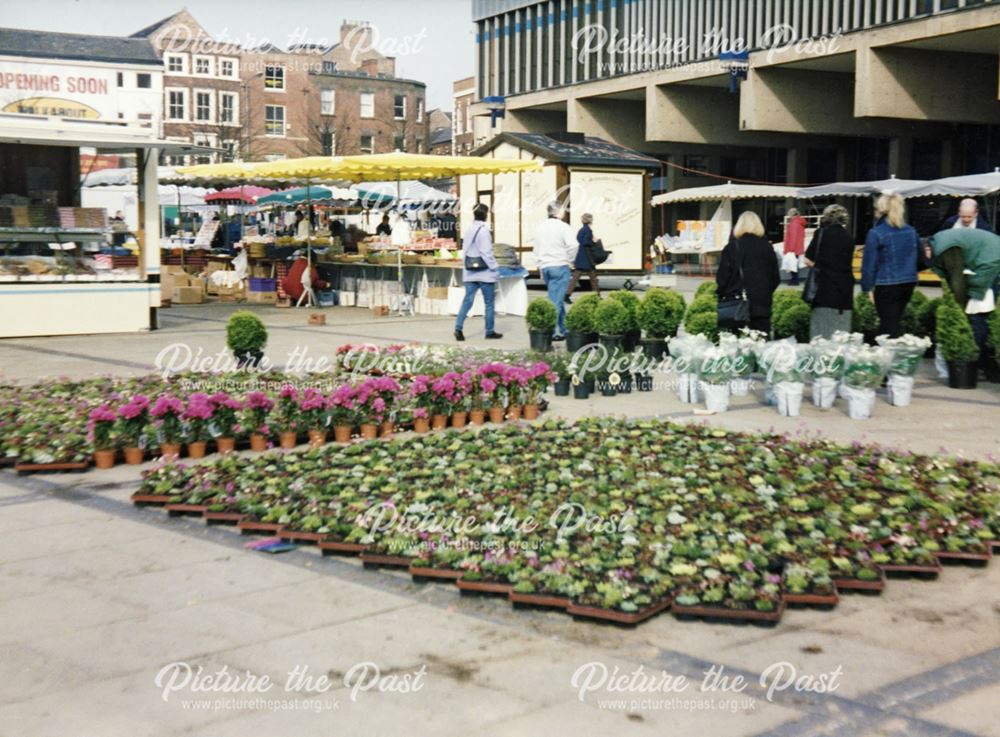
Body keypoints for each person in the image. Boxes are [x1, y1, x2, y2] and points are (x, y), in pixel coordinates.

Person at [927, 228, 1000, 377]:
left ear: (927, 248)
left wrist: (958, 308)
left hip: (989, 259)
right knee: (978, 311)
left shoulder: (945, 248)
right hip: (987, 255)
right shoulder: (939, 241)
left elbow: (956, 280)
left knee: (977, 312)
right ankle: (982, 360)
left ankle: (979, 359)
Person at [861, 193, 919, 339]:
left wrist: (867, 287)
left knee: (889, 325)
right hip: (908, 281)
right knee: (892, 322)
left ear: (881, 210)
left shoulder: (876, 233)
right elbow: (921, 258)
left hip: (886, 283)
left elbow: (869, 265)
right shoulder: (911, 231)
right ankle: (885, 353)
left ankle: (893, 355)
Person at [716, 211, 780, 335]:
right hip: (762, 303)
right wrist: (764, 291)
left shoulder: (732, 247)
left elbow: (722, 278)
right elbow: (775, 278)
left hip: (736, 303)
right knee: (760, 341)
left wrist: (722, 293)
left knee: (734, 343)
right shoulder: (767, 247)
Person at [804, 205, 856, 338]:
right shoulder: (849, 238)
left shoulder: (821, 233)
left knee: (820, 333)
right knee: (840, 333)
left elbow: (807, 260)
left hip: (823, 288)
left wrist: (820, 265)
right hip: (844, 292)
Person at [454, 203, 503, 342]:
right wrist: (495, 267)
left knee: (467, 301)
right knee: (489, 302)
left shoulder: (469, 229)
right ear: (485, 215)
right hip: (485, 273)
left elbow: (465, 250)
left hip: (470, 271)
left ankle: (458, 327)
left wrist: (466, 265)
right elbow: (486, 252)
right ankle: (489, 331)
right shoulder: (484, 231)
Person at [532, 201, 579, 340]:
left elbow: (536, 249)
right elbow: (573, 245)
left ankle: (564, 329)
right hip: (559, 264)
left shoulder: (540, 227)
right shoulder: (563, 227)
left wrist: (540, 265)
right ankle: (552, 331)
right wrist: (570, 259)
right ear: (559, 212)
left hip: (546, 266)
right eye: (563, 210)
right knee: (555, 302)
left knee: (556, 297)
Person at [568, 212, 599, 299]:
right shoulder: (588, 230)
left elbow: (578, 239)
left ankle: (567, 294)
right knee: (593, 278)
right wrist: (593, 242)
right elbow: (585, 242)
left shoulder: (581, 230)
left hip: (580, 257)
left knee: (575, 278)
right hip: (587, 257)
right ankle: (597, 296)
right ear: (590, 220)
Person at [782, 208, 806, 286]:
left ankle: (795, 280)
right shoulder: (799, 222)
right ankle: (795, 279)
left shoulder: (794, 223)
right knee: (795, 264)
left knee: (792, 264)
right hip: (798, 246)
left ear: (791, 214)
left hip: (793, 248)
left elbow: (793, 236)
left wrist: (790, 249)